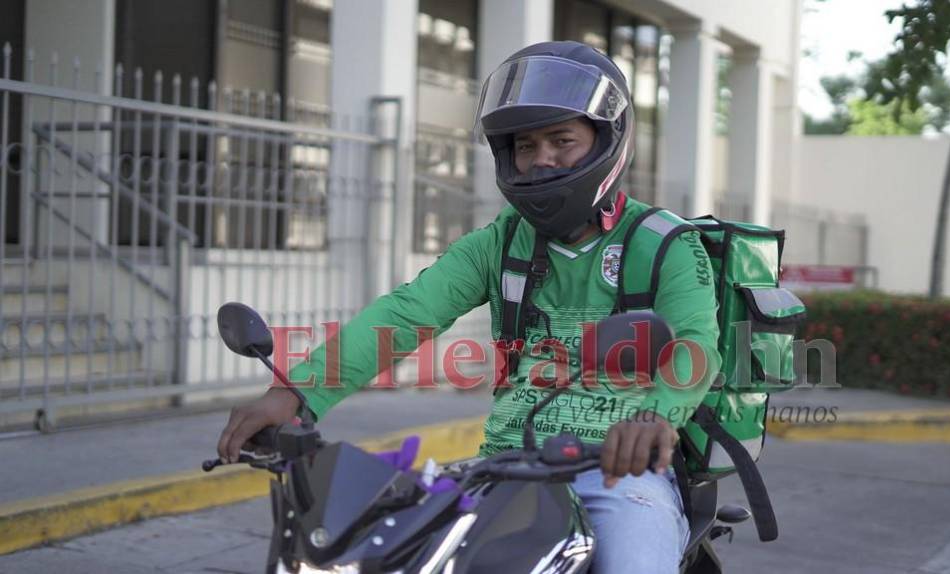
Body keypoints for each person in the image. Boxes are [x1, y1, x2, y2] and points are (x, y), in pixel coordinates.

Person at [218, 41, 721, 573]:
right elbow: (406, 314)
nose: (542, 157)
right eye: (526, 145)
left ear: (606, 140)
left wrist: (655, 418)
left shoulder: (665, 242)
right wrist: (297, 393)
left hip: (622, 470)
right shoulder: (500, 243)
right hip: (506, 465)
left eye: (562, 139)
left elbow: (694, 344)